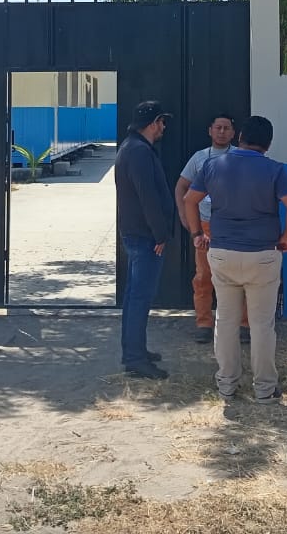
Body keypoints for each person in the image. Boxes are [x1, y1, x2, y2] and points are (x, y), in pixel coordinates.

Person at [182, 115, 287, 404]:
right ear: (268, 143)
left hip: (222, 252)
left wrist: (197, 233)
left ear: (239, 138)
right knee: (261, 325)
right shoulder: (274, 169)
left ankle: (226, 385)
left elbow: (189, 200)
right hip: (262, 255)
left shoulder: (212, 165)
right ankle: (264, 389)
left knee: (225, 321)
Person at [175, 113, 249, 345]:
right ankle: (204, 324)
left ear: (234, 133)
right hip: (205, 225)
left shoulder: (240, 157)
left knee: (239, 275)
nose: (222, 132)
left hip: (234, 225)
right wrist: (184, 215)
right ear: (210, 130)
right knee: (203, 276)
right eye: (218, 127)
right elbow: (181, 187)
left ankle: (244, 324)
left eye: (227, 128)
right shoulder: (199, 158)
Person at [115, 100, 176, 379]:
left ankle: (134, 350)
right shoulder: (138, 152)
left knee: (134, 296)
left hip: (138, 233)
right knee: (140, 297)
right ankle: (135, 358)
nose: (163, 127)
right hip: (145, 236)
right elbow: (147, 196)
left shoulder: (133, 148)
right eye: (162, 122)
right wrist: (160, 233)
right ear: (153, 123)